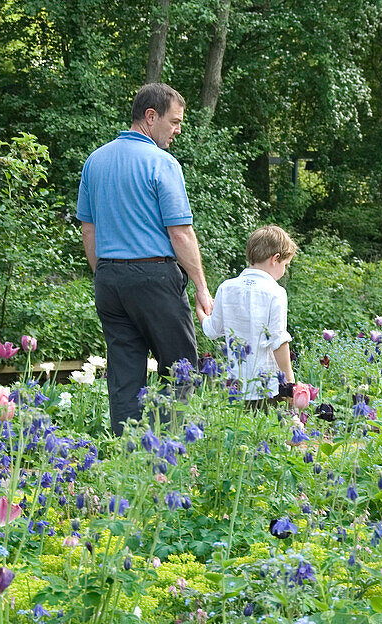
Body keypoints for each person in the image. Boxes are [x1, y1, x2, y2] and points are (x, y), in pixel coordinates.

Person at [76, 83, 213, 435]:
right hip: (155, 278)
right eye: (175, 121)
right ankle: (167, 453)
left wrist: (105, 274)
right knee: (181, 368)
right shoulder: (161, 163)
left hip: (108, 279)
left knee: (124, 376)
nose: (178, 130)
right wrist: (201, 287)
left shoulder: (95, 160)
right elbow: (180, 234)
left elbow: (88, 232)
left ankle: (128, 457)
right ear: (151, 117)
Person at [201, 226, 297, 405]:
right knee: (268, 432)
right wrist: (290, 385)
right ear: (275, 259)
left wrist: (200, 309)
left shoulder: (226, 287)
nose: (284, 270)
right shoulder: (276, 292)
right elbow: (278, 341)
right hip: (267, 387)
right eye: (285, 265)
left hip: (235, 386)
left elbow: (213, 330)